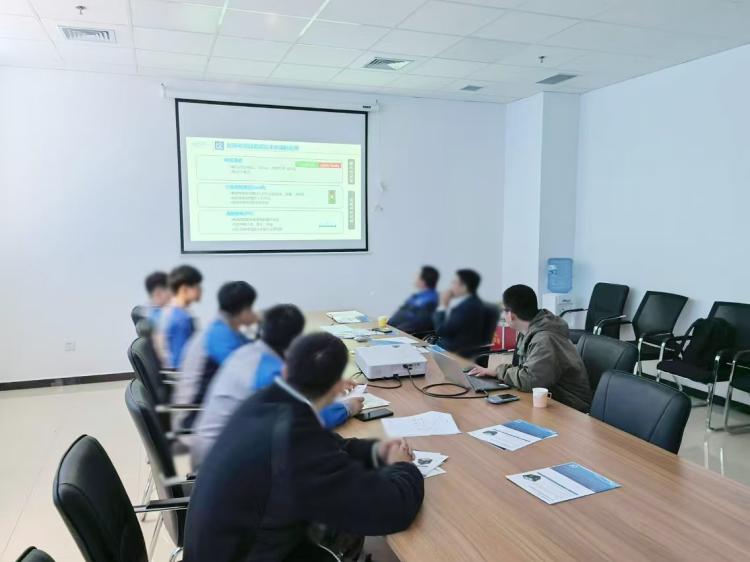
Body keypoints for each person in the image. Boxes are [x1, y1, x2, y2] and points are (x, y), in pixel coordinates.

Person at [183, 333, 424, 562]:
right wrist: (402, 466)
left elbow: (326, 444)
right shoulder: (298, 446)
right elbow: (391, 510)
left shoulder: (264, 401)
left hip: (223, 545)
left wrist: (375, 452)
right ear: (337, 388)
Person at [191, 304, 364, 468]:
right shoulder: (271, 374)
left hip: (215, 445)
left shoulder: (249, 352)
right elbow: (309, 420)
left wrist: (329, 384)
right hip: (222, 459)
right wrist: (346, 408)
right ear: (295, 340)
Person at [470, 284, 592, 412]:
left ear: (511, 315)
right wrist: (496, 372)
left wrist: (498, 371)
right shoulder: (528, 331)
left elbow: (531, 380)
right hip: (546, 399)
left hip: (569, 407)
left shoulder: (545, 339)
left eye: (504, 311)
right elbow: (527, 370)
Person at [172, 280, 257, 430]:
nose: (254, 313)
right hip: (194, 416)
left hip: (204, 407)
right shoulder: (218, 335)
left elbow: (250, 350)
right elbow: (247, 375)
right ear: (244, 310)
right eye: (251, 308)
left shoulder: (222, 326)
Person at [154, 265, 203, 369]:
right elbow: (180, 361)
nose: (201, 290)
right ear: (184, 289)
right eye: (197, 286)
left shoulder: (166, 311)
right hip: (180, 373)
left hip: (169, 370)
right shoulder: (180, 319)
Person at [432, 269, 485, 352]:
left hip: (453, 352)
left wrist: (443, 305)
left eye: (454, 282)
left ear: (464, 286)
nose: (451, 286)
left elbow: (441, 332)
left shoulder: (467, 307)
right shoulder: (472, 302)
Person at [389, 265, 440, 334]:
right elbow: (401, 313)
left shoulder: (431, 300)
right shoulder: (417, 297)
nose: (414, 278)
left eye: (417, 276)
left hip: (405, 334)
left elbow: (418, 323)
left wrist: (396, 331)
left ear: (423, 281)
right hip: (394, 330)